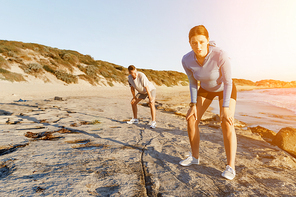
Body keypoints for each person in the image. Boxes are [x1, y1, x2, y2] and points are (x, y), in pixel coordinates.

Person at [180, 25, 237, 180]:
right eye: (193, 43)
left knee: (226, 121)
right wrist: (192, 105)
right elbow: (192, 82)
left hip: (224, 88)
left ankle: (230, 166)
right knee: (191, 119)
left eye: (201, 42)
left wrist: (225, 108)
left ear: (207, 40)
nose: (198, 46)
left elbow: (228, 82)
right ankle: (195, 157)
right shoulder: (186, 59)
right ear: (189, 42)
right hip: (205, 89)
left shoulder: (220, 55)